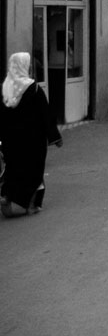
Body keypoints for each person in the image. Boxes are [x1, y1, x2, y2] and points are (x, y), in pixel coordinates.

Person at [0, 53, 63, 217]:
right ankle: (32, 205)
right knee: (34, 171)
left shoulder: (6, 87)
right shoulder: (33, 88)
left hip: (10, 140)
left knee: (13, 168)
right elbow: (46, 114)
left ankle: (8, 196)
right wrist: (55, 137)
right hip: (33, 140)